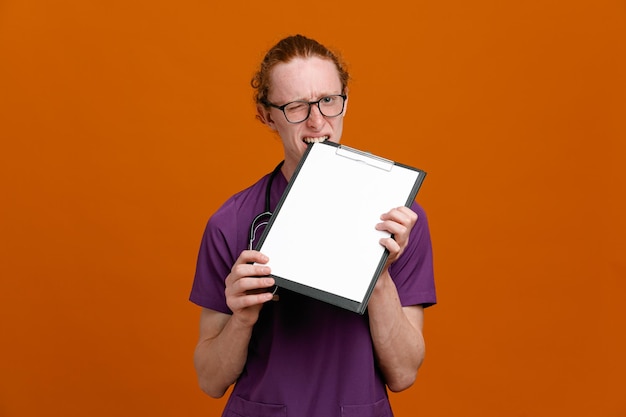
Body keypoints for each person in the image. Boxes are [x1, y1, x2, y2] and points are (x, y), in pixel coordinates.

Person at [190, 34, 436, 417]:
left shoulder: (400, 219)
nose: (318, 121)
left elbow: (403, 373)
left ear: (345, 101)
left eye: (327, 101)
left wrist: (379, 275)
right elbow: (209, 381)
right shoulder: (231, 222)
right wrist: (241, 318)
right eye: (295, 107)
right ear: (266, 115)